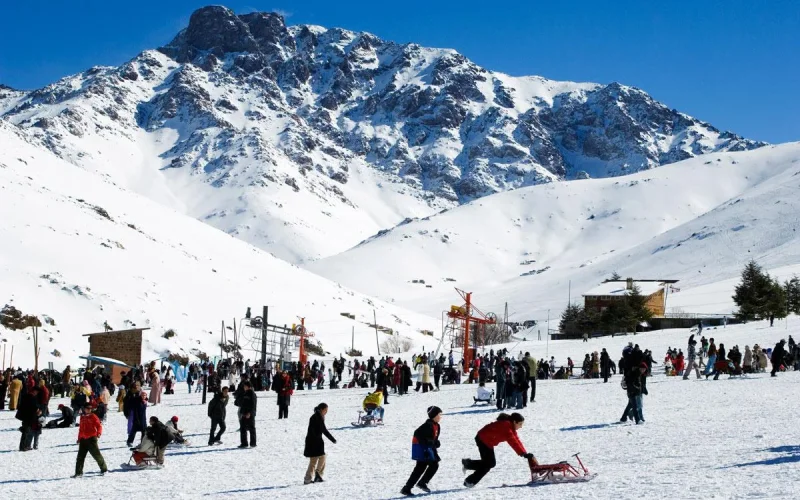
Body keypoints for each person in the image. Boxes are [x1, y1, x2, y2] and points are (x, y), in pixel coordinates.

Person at [462, 413, 531, 487]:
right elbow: (513, 441)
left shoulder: (510, 426)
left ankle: (468, 465)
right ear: (514, 422)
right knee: (489, 464)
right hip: (483, 439)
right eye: (520, 424)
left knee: (489, 463)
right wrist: (522, 453)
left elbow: (516, 439)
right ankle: (469, 480)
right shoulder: (506, 427)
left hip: (486, 440)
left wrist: (524, 452)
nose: (521, 427)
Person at [401, 406, 442, 496]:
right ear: (434, 415)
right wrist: (429, 442)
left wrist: (436, 442)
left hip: (428, 449)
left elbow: (433, 438)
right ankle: (422, 483)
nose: (440, 416)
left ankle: (407, 488)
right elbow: (417, 433)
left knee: (420, 468)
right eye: (439, 414)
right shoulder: (428, 425)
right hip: (423, 449)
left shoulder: (437, 425)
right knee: (433, 465)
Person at [303, 403, 337, 484]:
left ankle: (315, 476)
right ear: (322, 409)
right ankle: (314, 476)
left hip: (314, 441)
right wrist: (332, 439)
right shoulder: (317, 417)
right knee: (315, 460)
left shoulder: (317, 416)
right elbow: (323, 430)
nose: (326, 412)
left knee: (319, 458)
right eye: (326, 410)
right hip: (314, 442)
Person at [73, 403, 107, 477]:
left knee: (97, 455)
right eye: (87, 408)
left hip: (91, 439)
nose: (89, 410)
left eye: (90, 408)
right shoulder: (82, 417)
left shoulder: (93, 416)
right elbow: (80, 429)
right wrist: (79, 438)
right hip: (83, 440)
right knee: (80, 457)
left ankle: (104, 469)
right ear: (84, 409)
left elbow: (99, 426)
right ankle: (78, 473)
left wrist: (99, 433)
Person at [16, 385, 40, 451]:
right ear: (34, 391)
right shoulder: (32, 398)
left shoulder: (25, 396)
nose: (36, 393)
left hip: (24, 416)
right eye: (36, 392)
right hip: (29, 417)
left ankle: (24, 446)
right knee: (26, 432)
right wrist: (38, 411)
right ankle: (23, 447)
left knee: (26, 431)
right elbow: (34, 407)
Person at [238, 380, 257, 448]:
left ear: (249, 387)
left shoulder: (252, 394)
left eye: (245, 386)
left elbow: (253, 405)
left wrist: (250, 413)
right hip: (244, 413)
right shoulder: (245, 393)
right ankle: (244, 443)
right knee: (243, 428)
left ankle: (253, 443)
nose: (244, 387)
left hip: (250, 414)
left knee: (251, 428)